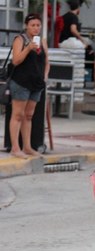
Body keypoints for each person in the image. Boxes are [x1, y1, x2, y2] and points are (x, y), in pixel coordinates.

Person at [8, 13, 49, 159]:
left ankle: (27, 146)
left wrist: (44, 76)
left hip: (36, 83)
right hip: (21, 82)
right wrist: (28, 48)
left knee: (29, 115)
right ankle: (15, 147)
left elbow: (47, 61)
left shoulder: (42, 41)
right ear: (26, 26)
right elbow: (16, 61)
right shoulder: (20, 39)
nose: (36, 28)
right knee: (17, 114)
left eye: (38, 25)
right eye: (33, 25)